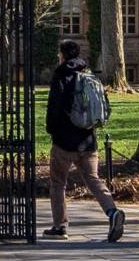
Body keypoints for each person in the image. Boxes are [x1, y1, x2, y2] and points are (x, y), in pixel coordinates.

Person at [44, 40, 125, 242]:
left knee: (57, 183)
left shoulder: (61, 75)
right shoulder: (88, 75)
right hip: (88, 139)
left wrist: (52, 130)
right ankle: (112, 212)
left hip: (64, 140)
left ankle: (60, 226)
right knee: (93, 179)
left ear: (62, 55)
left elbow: (54, 108)